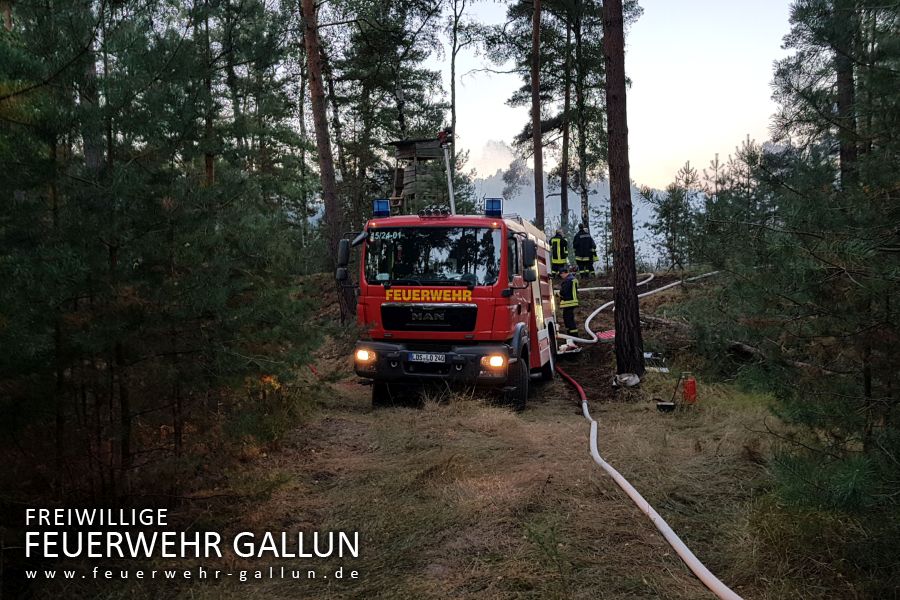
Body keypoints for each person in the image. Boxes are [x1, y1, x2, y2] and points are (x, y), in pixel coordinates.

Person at [559, 264, 579, 336]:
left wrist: (559, 294)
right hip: (572, 302)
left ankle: (573, 337)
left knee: (569, 321)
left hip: (569, 302)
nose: (561, 276)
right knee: (568, 319)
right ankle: (571, 337)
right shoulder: (573, 279)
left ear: (564, 273)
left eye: (561, 274)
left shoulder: (568, 280)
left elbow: (564, 292)